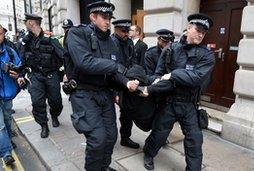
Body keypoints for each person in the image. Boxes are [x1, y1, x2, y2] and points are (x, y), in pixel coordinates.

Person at [65, 1, 139, 170]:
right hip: (84, 93)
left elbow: (114, 74)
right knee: (97, 140)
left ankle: (103, 166)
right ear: (93, 16)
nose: (108, 22)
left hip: (105, 94)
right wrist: (116, 67)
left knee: (111, 136)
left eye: (109, 18)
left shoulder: (112, 42)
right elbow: (85, 62)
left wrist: (126, 82)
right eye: (104, 17)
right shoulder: (77, 34)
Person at [139, 13, 215, 170]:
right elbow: (158, 75)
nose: (201, 34)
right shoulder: (171, 49)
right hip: (170, 101)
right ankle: (148, 153)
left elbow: (197, 78)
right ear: (188, 28)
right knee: (159, 133)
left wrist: (173, 74)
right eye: (198, 29)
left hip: (189, 105)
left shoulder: (206, 55)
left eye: (204, 32)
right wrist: (153, 87)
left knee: (195, 140)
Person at [20, 13, 64, 138]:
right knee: (37, 102)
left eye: (26, 22)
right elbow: (21, 60)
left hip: (51, 75)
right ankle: (44, 125)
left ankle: (54, 114)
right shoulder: (25, 42)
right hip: (35, 76)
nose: (25, 24)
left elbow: (63, 56)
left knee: (56, 101)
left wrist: (66, 74)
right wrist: (21, 75)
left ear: (31, 23)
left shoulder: (50, 39)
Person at [111, 19, 140, 149]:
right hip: (112, 81)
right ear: (116, 29)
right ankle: (106, 139)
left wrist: (133, 76)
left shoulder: (128, 42)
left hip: (127, 81)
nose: (126, 33)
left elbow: (133, 60)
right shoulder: (110, 42)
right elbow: (111, 66)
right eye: (123, 31)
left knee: (126, 111)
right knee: (108, 114)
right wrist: (116, 92)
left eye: (128, 31)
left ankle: (125, 137)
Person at [0, 24, 24, 166]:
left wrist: (18, 75)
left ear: (4, 35)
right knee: (1, 125)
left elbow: (19, 66)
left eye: (0, 33)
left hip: (8, 93)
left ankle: (7, 140)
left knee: (8, 119)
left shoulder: (9, 51)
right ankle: (6, 152)